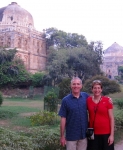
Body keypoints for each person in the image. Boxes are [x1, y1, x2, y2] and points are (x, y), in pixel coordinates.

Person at [58, 77, 89, 150]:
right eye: (74, 84)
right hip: (71, 136)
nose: (76, 86)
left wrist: (107, 99)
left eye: (78, 84)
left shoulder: (85, 96)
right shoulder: (65, 100)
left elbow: (96, 102)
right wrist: (62, 136)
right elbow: (63, 119)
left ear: (81, 86)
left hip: (83, 136)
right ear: (71, 85)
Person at [87, 80, 114, 150]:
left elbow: (111, 118)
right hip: (93, 134)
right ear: (92, 89)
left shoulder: (107, 100)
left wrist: (112, 135)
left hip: (106, 134)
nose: (97, 90)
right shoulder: (88, 100)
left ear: (101, 89)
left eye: (99, 88)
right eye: (95, 88)